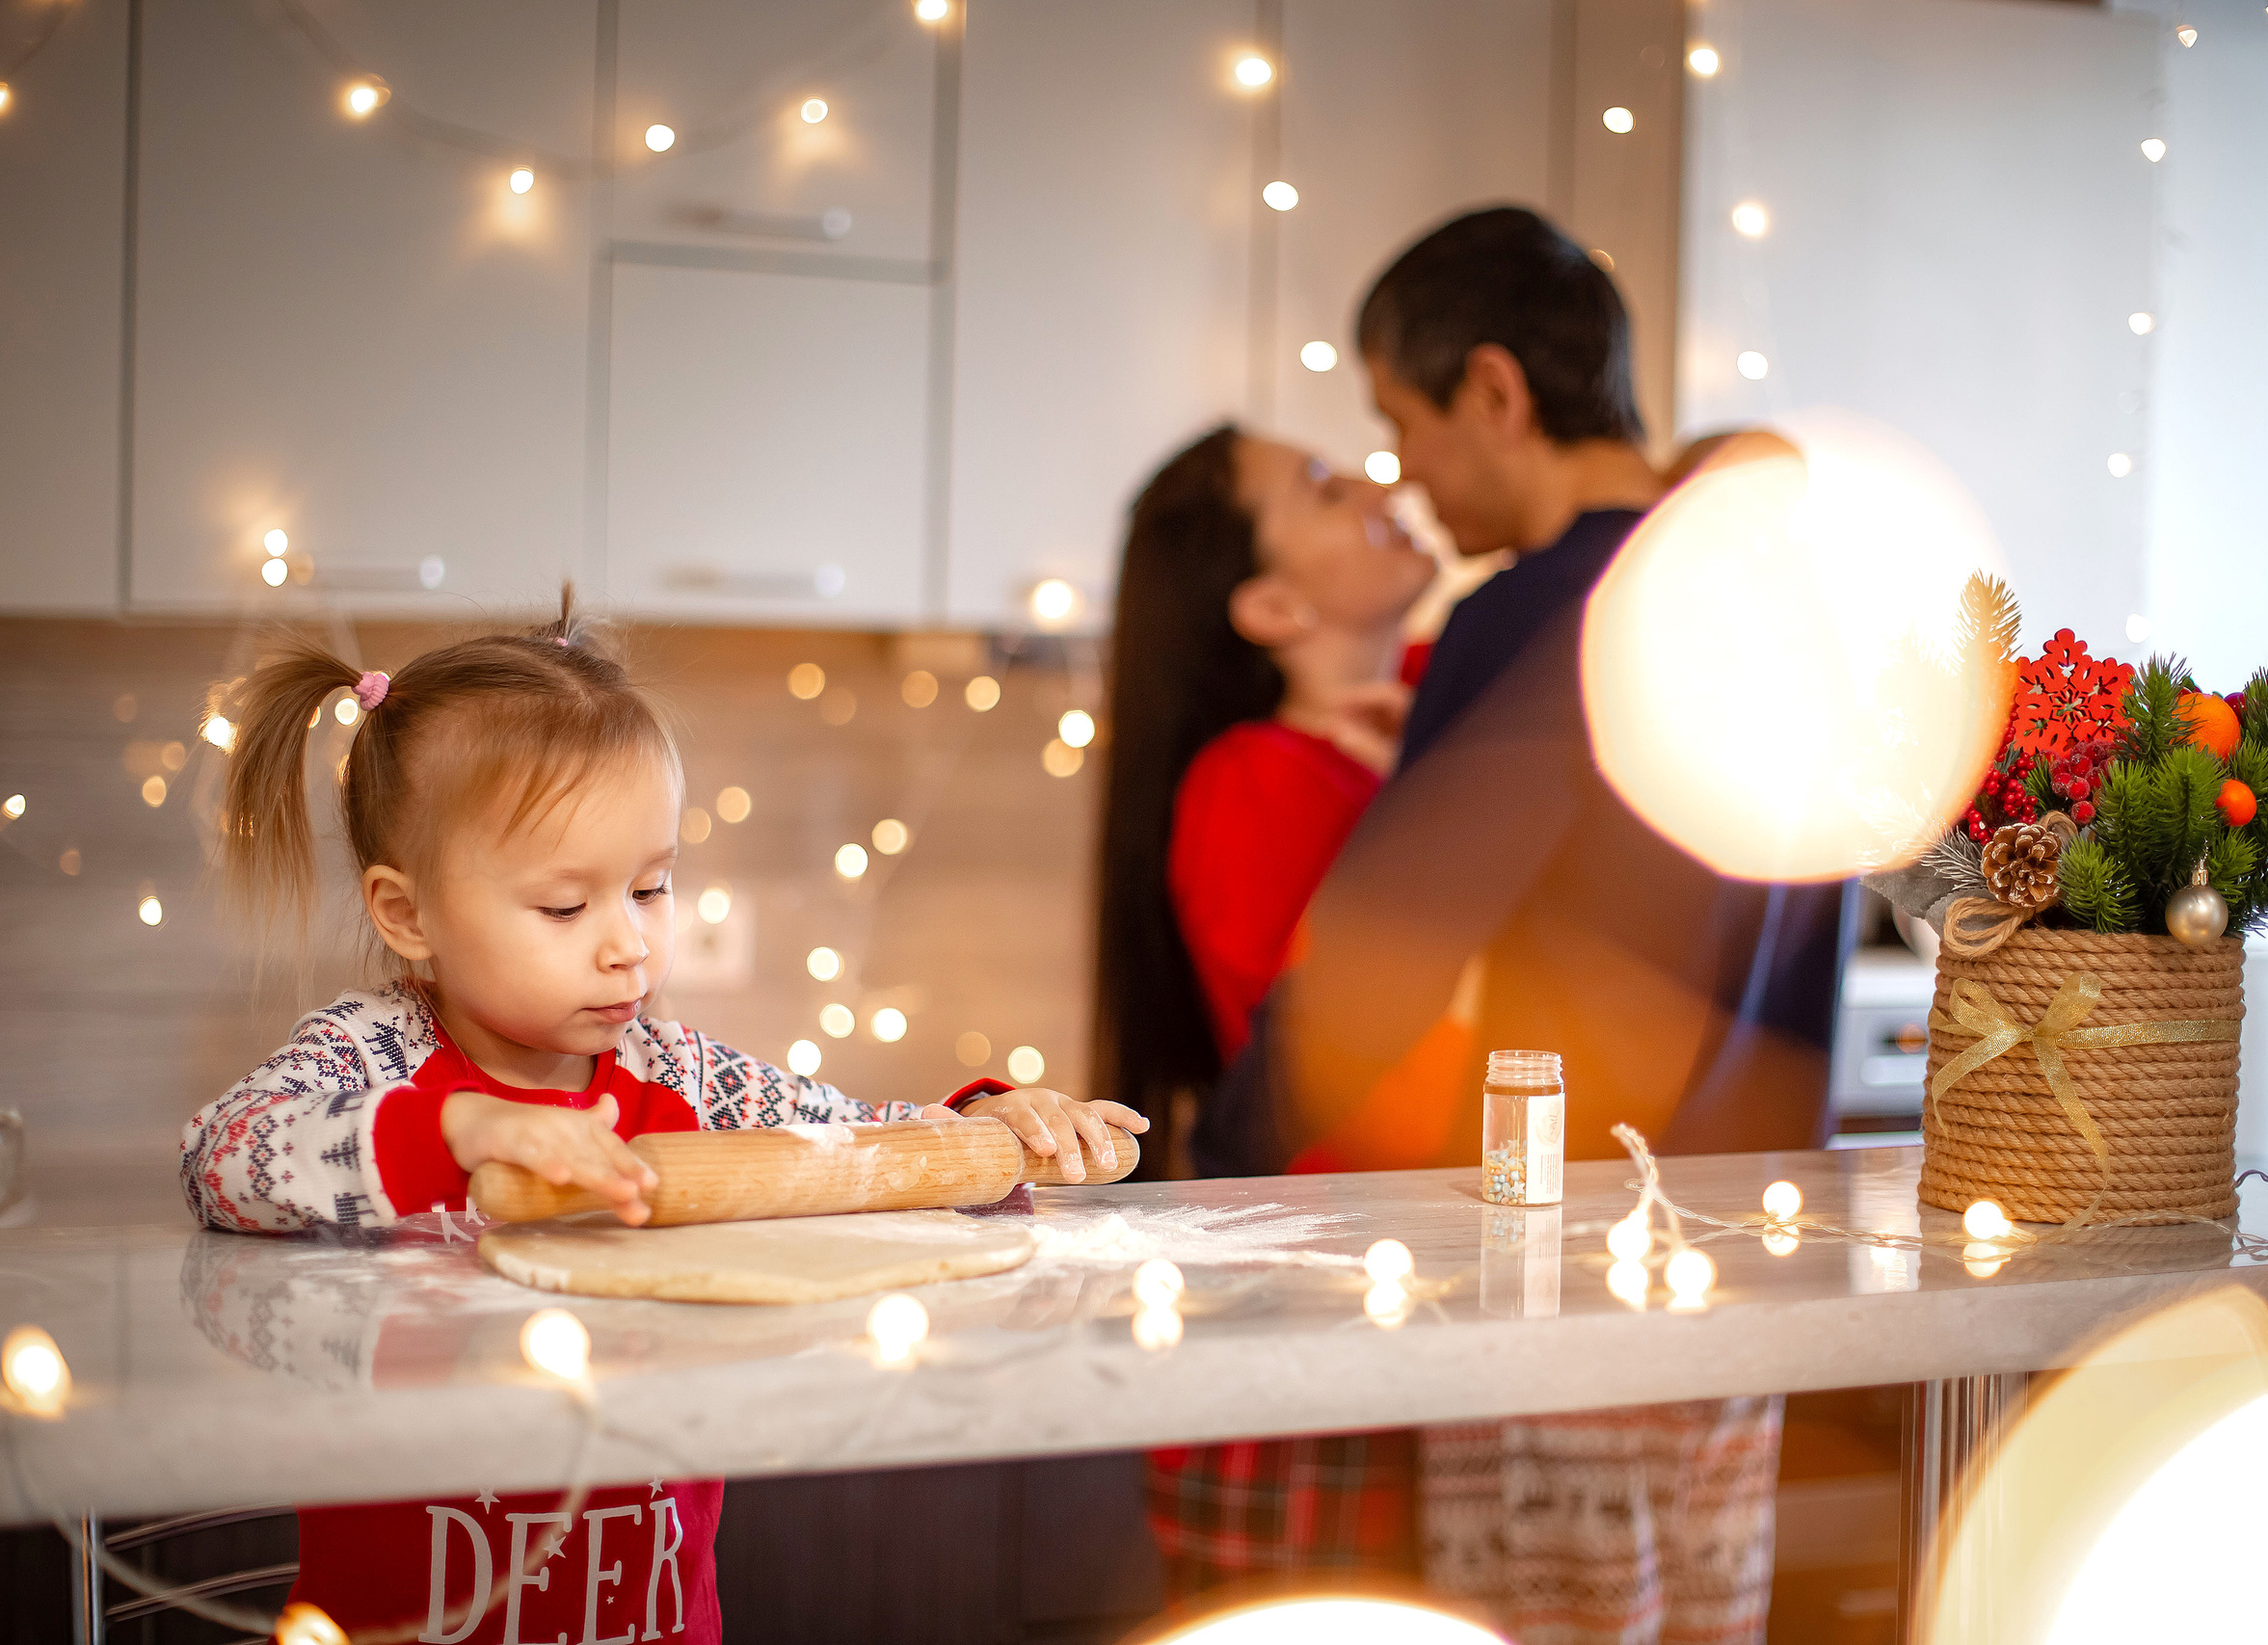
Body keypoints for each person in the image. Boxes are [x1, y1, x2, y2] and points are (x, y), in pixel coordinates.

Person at [181, 604, 1146, 1645]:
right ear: (406, 913)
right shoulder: (369, 1060)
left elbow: (856, 1146)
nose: (628, 946)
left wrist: (991, 1125)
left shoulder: (682, 1075)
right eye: (565, 908)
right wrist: (453, 1131)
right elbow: (221, 1155)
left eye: (651, 887)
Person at [1215, 206, 1849, 1643]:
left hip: (1557, 1281)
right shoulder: (1775, 612)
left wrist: (1184, 1185)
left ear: (1495, 392)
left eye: (1403, 421)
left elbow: (1370, 979)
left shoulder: (1538, 609)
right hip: (1749, 1278)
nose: (1409, 477)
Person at [1093, 426, 1435, 1599]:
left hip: (1398, 1323)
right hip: (1322, 1349)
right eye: (1321, 486)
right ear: (1275, 606)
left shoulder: (1448, 689)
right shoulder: (1256, 782)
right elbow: (1352, 1084)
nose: (1372, 483)